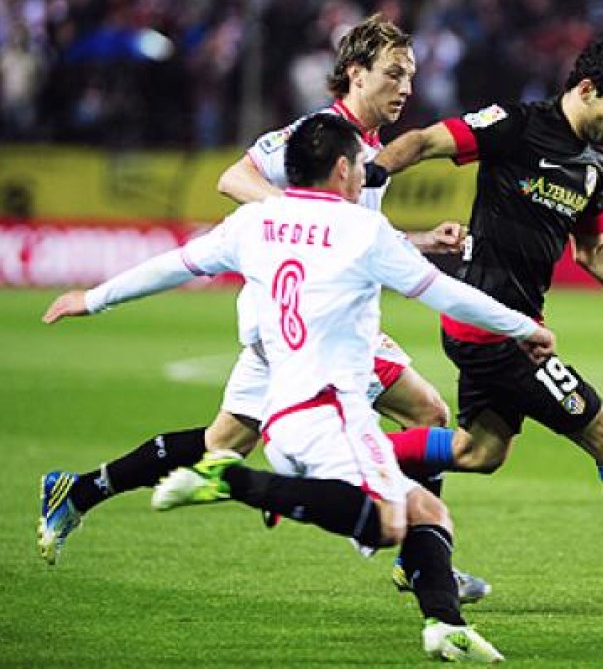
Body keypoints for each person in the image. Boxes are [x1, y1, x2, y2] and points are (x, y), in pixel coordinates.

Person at [43, 113, 558, 662]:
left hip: (282, 407)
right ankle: (233, 481)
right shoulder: (362, 230)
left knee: (424, 510)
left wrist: (92, 299)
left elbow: (176, 265)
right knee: (392, 519)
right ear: (341, 168)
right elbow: (448, 295)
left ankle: (444, 625)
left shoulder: (255, 221)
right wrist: (523, 327)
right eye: (361, 164)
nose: (367, 173)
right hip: (331, 410)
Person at [37, 14, 490, 603]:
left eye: (410, 76)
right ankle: (421, 562)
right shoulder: (318, 133)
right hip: (308, 328)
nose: (405, 88)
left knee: (220, 445)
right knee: (428, 411)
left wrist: (423, 241)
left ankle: (77, 491)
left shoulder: (367, 147)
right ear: (356, 73)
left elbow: (356, 235)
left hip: (293, 324)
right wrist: (293, 218)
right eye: (393, 74)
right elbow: (234, 177)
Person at [367, 36, 603, 598]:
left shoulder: (591, 167)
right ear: (586, 89)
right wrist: (372, 173)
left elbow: (593, 254)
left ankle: (348, 457)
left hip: (512, 329)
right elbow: (422, 141)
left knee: (478, 452)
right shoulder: (514, 125)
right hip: (493, 328)